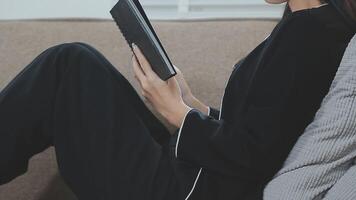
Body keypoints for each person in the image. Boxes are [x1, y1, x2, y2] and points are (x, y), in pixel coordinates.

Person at [0, 0, 354, 199]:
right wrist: (192, 104)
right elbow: (265, 130)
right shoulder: (306, 24)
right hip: (195, 175)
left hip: (188, 191)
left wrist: (179, 114)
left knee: (69, 66)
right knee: (77, 61)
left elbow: (255, 158)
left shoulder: (312, 35)